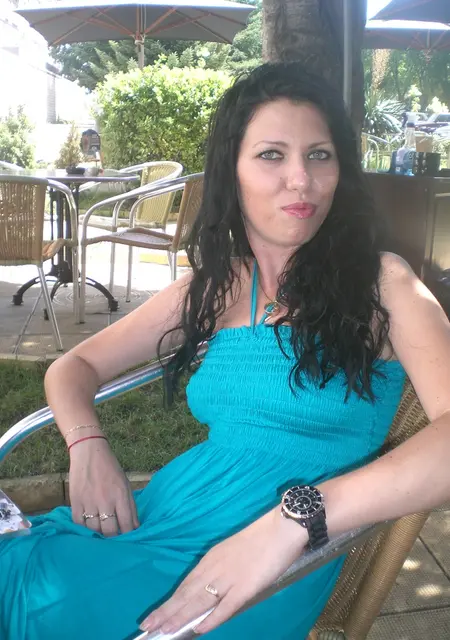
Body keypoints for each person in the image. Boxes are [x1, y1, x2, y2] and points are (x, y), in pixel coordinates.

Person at [2, 62, 450, 640]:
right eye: (272, 155)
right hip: (162, 518)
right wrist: (87, 447)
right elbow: (74, 366)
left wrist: (297, 518)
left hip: (271, 568)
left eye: (319, 155)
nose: (301, 179)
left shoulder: (382, 284)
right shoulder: (219, 286)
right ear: (231, 173)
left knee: (42, 601)